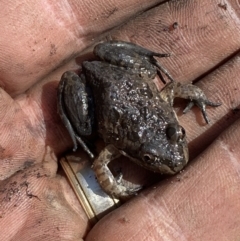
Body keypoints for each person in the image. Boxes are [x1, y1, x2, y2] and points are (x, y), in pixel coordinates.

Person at [0, 1, 240, 240]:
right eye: (148, 158)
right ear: (134, 153)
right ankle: (77, 127)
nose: (176, 157)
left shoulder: (162, 105)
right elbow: (99, 166)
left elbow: (174, 87)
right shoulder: (116, 145)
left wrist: (198, 95)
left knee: (143, 72)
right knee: (86, 128)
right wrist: (119, 191)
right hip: (94, 90)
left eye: (177, 134)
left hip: (119, 79)